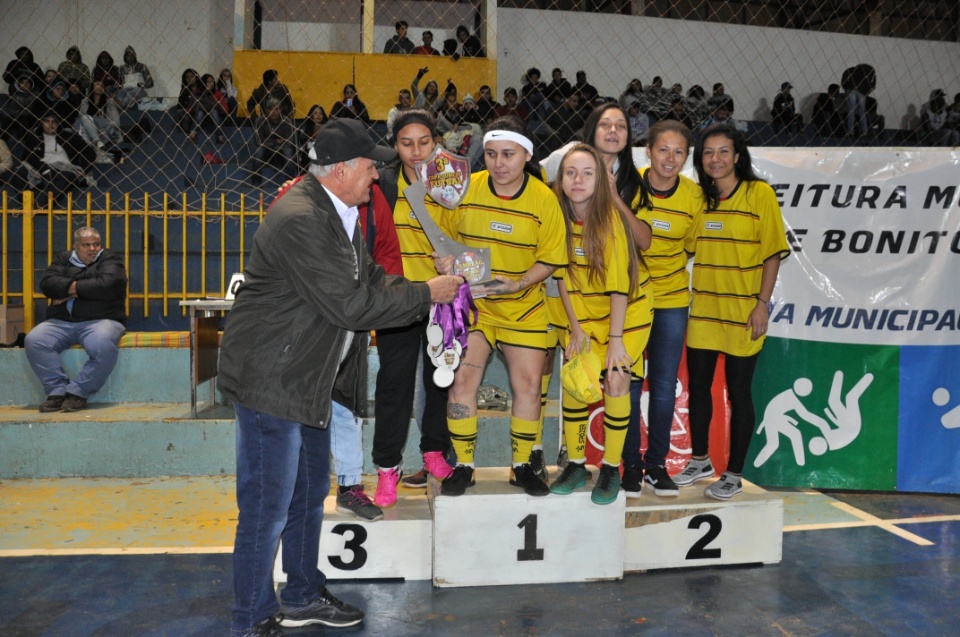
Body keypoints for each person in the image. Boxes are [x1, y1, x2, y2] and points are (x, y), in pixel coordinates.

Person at [217, 118, 463, 637]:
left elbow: (370, 278)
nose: (377, 175)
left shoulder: (343, 211)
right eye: (372, 166)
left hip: (307, 378)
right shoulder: (301, 218)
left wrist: (425, 285)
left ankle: (302, 593)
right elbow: (350, 304)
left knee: (307, 495)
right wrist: (428, 295)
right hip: (272, 380)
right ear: (343, 170)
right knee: (267, 507)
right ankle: (251, 618)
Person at [436, 116, 568, 497]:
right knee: (462, 381)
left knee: (527, 385)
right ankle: (463, 466)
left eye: (508, 154)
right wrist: (443, 261)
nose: (499, 163)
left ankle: (522, 465)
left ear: (526, 154)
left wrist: (521, 283)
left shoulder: (544, 199)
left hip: (523, 307)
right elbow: (442, 240)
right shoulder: (466, 189)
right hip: (474, 308)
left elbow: (551, 259)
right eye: (491, 154)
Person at [674, 123, 790, 500]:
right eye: (708, 152)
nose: (716, 159)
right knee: (699, 391)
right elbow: (684, 244)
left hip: (744, 313)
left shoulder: (760, 194)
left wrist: (762, 305)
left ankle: (734, 472)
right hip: (704, 311)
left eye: (723, 151)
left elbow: (773, 254)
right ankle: (700, 459)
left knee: (739, 393)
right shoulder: (699, 200)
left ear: (738, 155)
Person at [547, 144, 652, 505]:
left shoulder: (609, 222)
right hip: (580, 309)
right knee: (577, 378)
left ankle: (610, 468)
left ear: (600, 181)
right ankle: (576, 465)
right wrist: (575, 329)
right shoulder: (555, 216)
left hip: (626, 311)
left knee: (617, 379)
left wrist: (616, 340)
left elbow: (620, 286)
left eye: (588, 173)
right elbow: (560, 276)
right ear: (560, 179)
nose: (578, 180)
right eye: (571, 173)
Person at [368, 109, 461, 501]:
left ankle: (433, 452)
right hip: (398, 300)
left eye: (424, 142)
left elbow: (464, 238)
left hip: (440, 299)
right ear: (395, 146)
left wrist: (454, 261)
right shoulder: (383, 185)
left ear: (436, 143)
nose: (416, 150)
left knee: (440, 380)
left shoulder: (451, 184)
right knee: (395, 384)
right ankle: (388, 468)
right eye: (406, 143)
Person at [620, 119, 703, 499]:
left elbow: (689, 247)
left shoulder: (694, 197)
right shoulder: (628, 184)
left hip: (671, 299)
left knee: (665, 385)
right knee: (629, 383)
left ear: (687, 158)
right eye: (663, 150)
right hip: (631, 299)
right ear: (648, 150)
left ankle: (656, 465)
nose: (670, 159)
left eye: (679, 152)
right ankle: (631, 467)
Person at [25, 227, 126, 413]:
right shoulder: (63, 259)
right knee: (34, 340)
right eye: (86, 245)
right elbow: (47, 284)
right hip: (61, 321)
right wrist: (87, 287)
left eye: (96, 244)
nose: (93, 249)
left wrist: (68, 290)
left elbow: (109, 285)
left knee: (102, 345)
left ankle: (79, 392)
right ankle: (57, 391)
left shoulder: (110, 259)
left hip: (101, 321)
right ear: (76, 247)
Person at [21, 112, 96, 206]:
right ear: (41, 123)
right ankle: (25, 204)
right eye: (47, 121)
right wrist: (43, 168)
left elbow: (90, 153)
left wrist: (82, 169)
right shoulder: (34, 138)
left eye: (54, 122)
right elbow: (27, 157)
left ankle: (40, 207)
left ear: (58, 124)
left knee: (67, 176)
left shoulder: (68, 136)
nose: (51, 124)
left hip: (64, 169)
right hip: (41, 169)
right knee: (20, 171)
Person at [247, 97, 297, 185]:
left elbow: (288, 141)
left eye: (276, 109)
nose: (274, 112)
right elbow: (259, 140)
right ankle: (256, 181)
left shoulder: (287, 121)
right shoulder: (259, 121)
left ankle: (290, 182)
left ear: (281, 110)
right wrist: (276, 142)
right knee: (258, 153)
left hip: (283, 147)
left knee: (289, 155)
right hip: (265, 147)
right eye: (271, 109)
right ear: (266, 110)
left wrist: (272, 142)